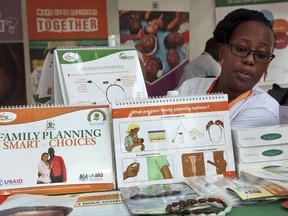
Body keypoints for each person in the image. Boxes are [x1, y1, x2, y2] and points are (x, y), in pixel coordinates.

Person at [178, 8, 279, 129]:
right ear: (222, 50)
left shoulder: (263, 110)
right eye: (241, 49)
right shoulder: (190, 88)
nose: (250, 60)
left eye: (261, 55)